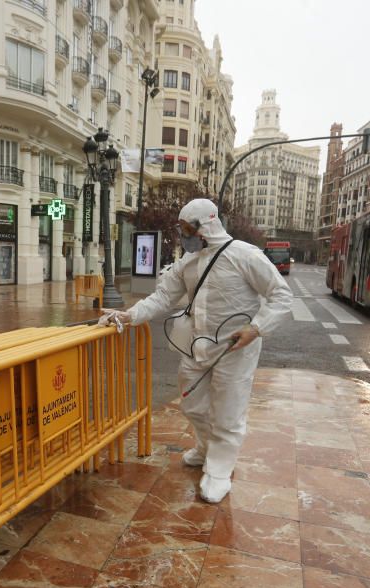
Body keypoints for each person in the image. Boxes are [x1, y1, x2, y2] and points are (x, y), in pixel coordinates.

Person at [98, 198, 292, 503]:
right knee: (191, 405)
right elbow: (162, 297)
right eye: (182, 229)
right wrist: (129, 315)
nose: (184, 236)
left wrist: (256, 328)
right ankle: (205, 449)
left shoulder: (244, 255)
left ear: (207, 226)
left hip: (235, 349)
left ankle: (218, 472)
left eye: (188, 229)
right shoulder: (186, 262)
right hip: (197, 347)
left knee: (228, 413)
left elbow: (281, 295)